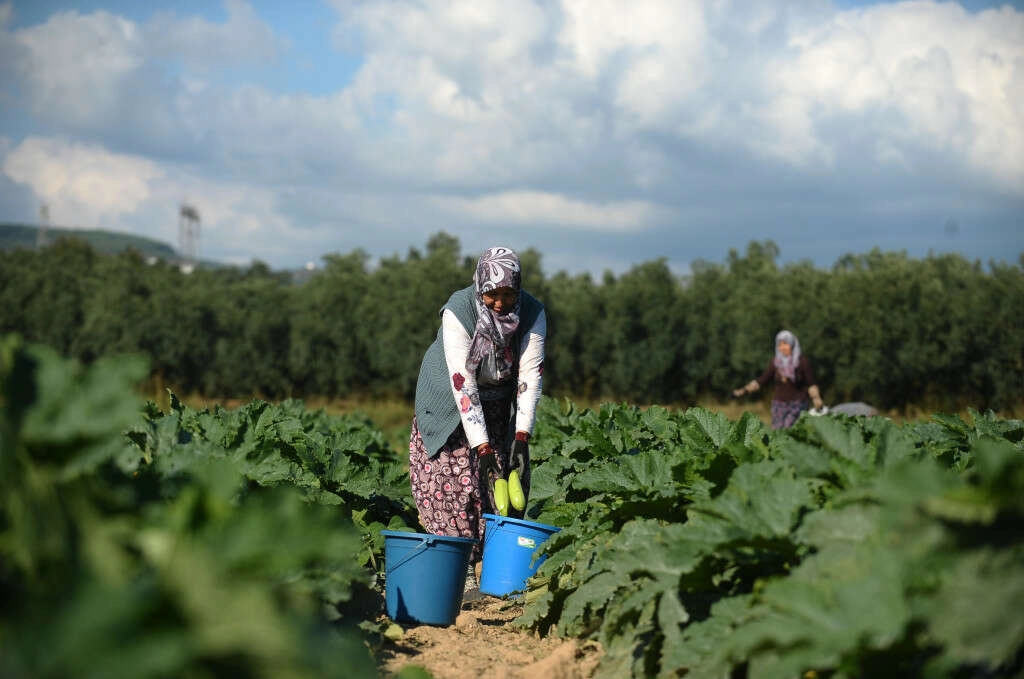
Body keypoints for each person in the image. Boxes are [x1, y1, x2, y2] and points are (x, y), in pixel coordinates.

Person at [408, 246, 546, 586]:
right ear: (479, 287)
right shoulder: (458, 311)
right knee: (455, 481)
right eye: (492, 294)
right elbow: (463, 383)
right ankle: (462, 571)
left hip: (498, 403)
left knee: (502, 478)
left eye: (508, 293)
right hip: (450, 401)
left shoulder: (532, 312)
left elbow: (530, 375)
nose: (500, 302)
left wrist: (521, 438)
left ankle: (496, 567)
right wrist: (481, 448)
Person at [733, 329, 823, 429]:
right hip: (779, 405)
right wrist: (744, 390)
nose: (782, 347)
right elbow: (762, 380)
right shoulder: (776, 363)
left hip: (797, 405)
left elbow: (811, 384)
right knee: (777, 432)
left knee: (789, 429)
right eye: (780, 345)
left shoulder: (802, 362)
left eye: (785, 344)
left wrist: (816, 399)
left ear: (792, 345)